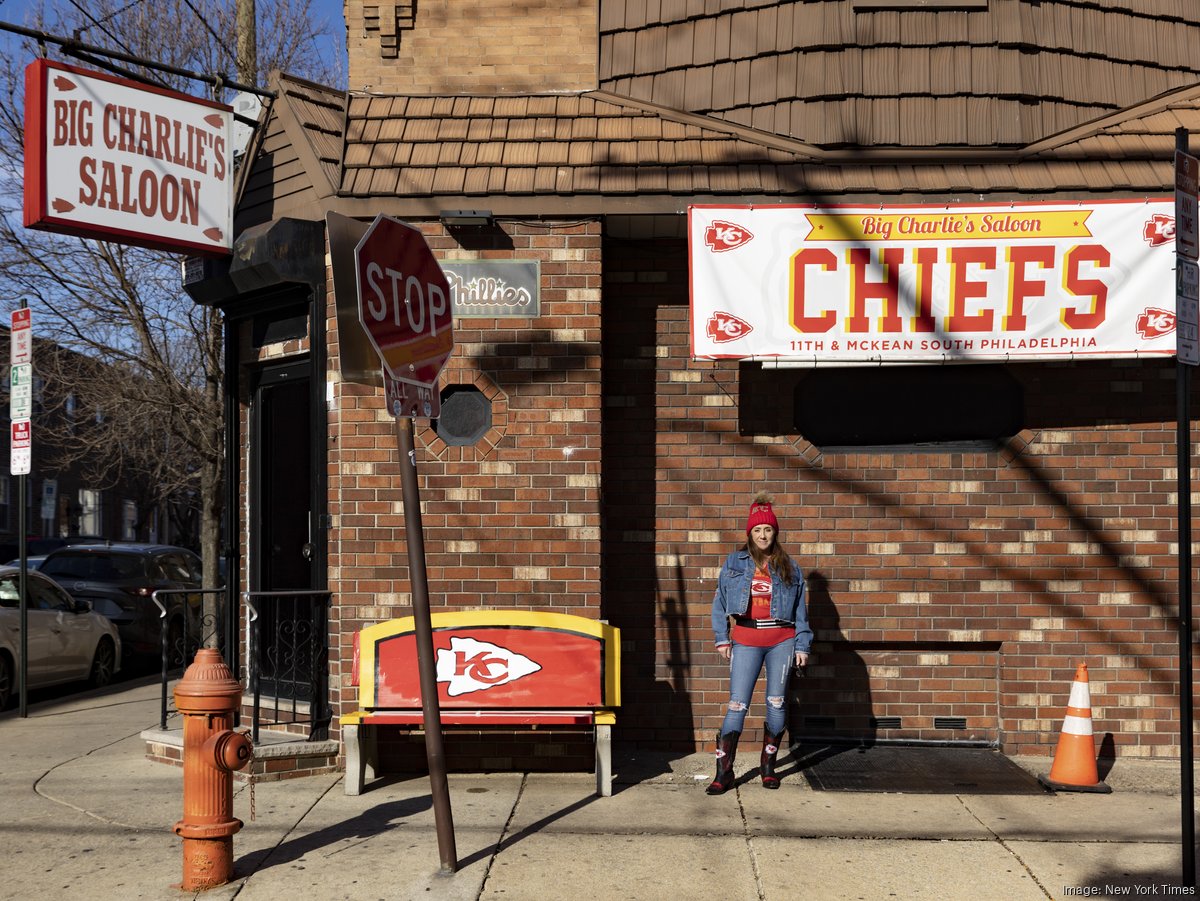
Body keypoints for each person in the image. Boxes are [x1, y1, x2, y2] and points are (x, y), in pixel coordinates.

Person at [707, 493, 812, 794]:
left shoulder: (790, 566)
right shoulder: (734, 562)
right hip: (746, 640)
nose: (763, 535)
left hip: (782, 640)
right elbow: (720, 604)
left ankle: (768, 769)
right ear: (750, 533)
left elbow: (800, 613)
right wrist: (721, 639)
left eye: (767, 529)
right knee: (738, 704)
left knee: (776, 703)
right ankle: (724, 773)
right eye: (757, 530)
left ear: (775, 532)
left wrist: (802, 646)